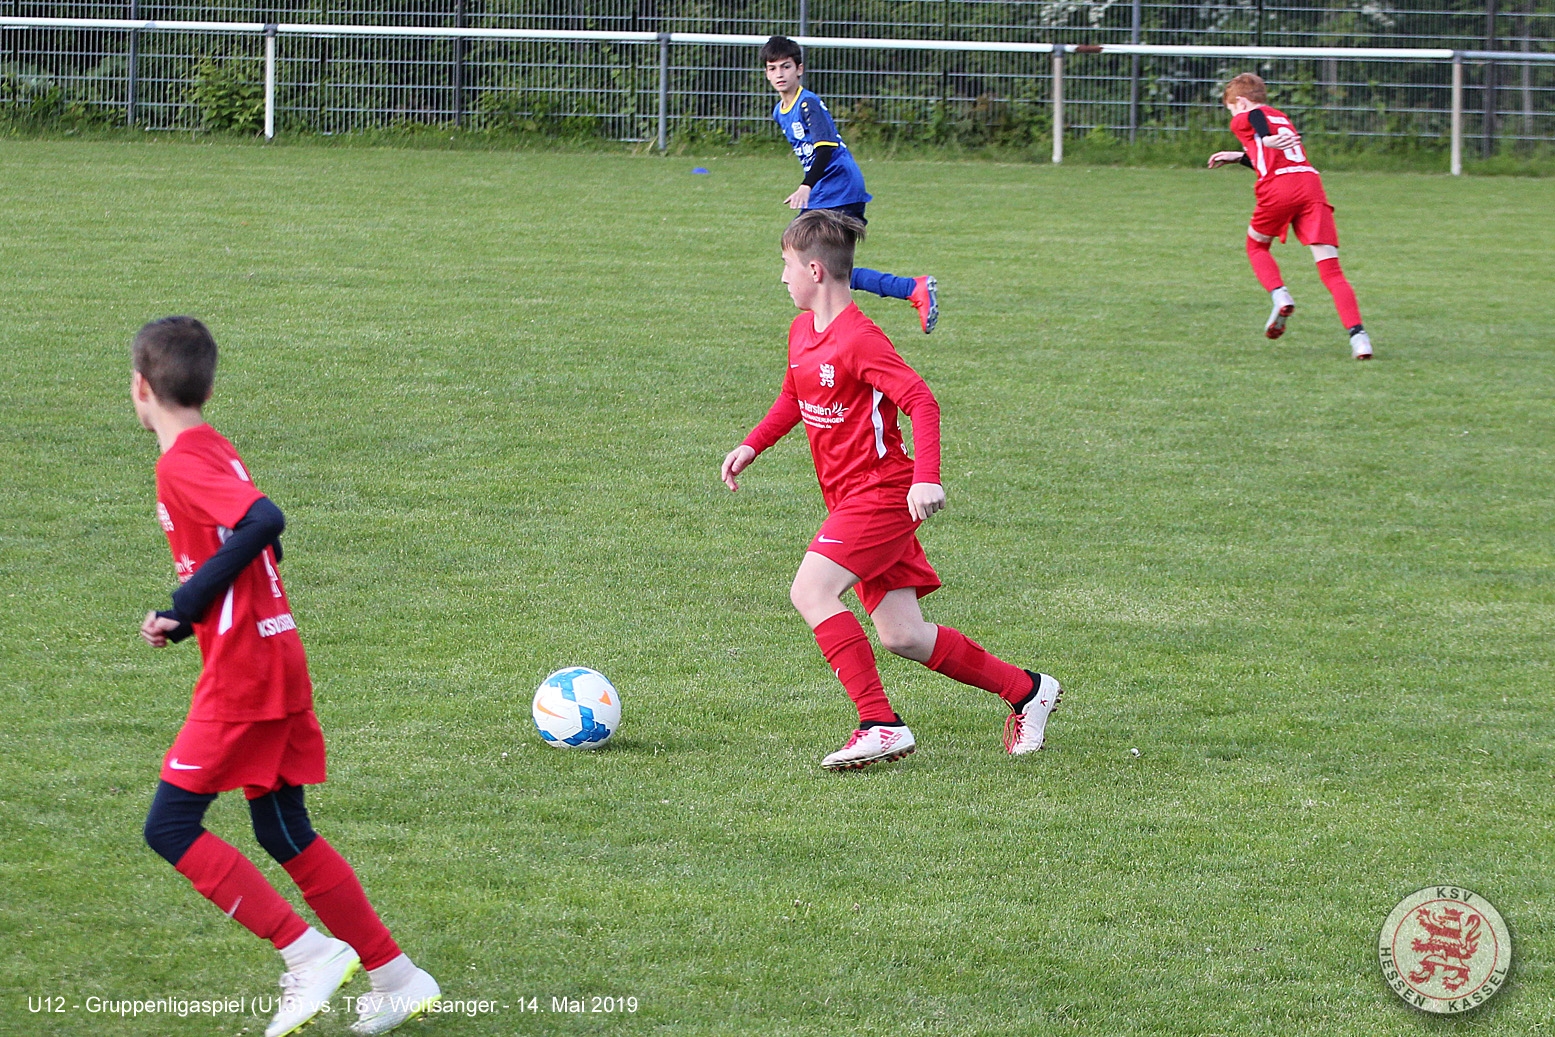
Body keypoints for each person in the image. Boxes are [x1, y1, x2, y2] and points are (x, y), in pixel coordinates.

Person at [131, 317, 439, 1037]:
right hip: (275, 652)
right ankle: (397, 977)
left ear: (140, 387)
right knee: (282, 827)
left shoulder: (180, 463)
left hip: (244, 674)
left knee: (170, 826)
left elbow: (264, 521)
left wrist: (187, 602)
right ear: (207, 387)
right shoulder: (212, 446)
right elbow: (255, 548)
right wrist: (188, 619)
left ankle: (308, 954)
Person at [720, 210, 1062, 770]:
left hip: (880, 494)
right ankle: (1028, 690)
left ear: (814, 270)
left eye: (786, 265)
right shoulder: (801, 331)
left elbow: (921, 400)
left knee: (811, 591)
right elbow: (792, 396)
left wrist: (926, 477)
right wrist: (752, 445)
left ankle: (878, 723)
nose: (781, 277)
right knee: (903, 635)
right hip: (849, 497)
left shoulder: (860, 339)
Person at [761, 34, 940, 335]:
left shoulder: (808, 103)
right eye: (772, 68)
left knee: (803, 252)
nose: (779, 74)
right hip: (826, 191)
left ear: (799, 69)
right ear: (766, 73)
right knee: (826, 265)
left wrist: (806, 185)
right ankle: (910, 289)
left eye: (786, 66)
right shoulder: (780, 111)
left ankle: (832, 325)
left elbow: (825, 148)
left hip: (839, 188)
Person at [1207, 73, 1373, 360]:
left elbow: (1255, 120)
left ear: (1241, 102)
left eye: (1232, 109)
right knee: (1332, 271)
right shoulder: (1281, 117)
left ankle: (1280, 294)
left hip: (1279, 188)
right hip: (1310, 185)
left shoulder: (1250, 116)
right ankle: (1360, 339)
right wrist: (1239, 156)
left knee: (1256, 246)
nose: (1233, 117)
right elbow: (1270, 157)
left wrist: (1265, 137)